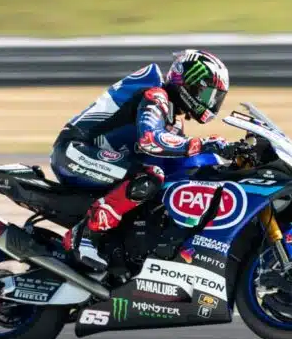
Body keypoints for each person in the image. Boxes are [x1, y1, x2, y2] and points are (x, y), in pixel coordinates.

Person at [50, 49, 234, 272]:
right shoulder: (156, 97)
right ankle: (85, 235)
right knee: (150, 176)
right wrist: (202, 144)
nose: (210, 103)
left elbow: (175, 157)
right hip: (74, 151)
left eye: (215, 98)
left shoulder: (173, 121)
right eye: (207, 94)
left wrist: (224, 160)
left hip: (99, 158)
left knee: (165, 180)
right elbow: (150, 140)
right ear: (189, 84)